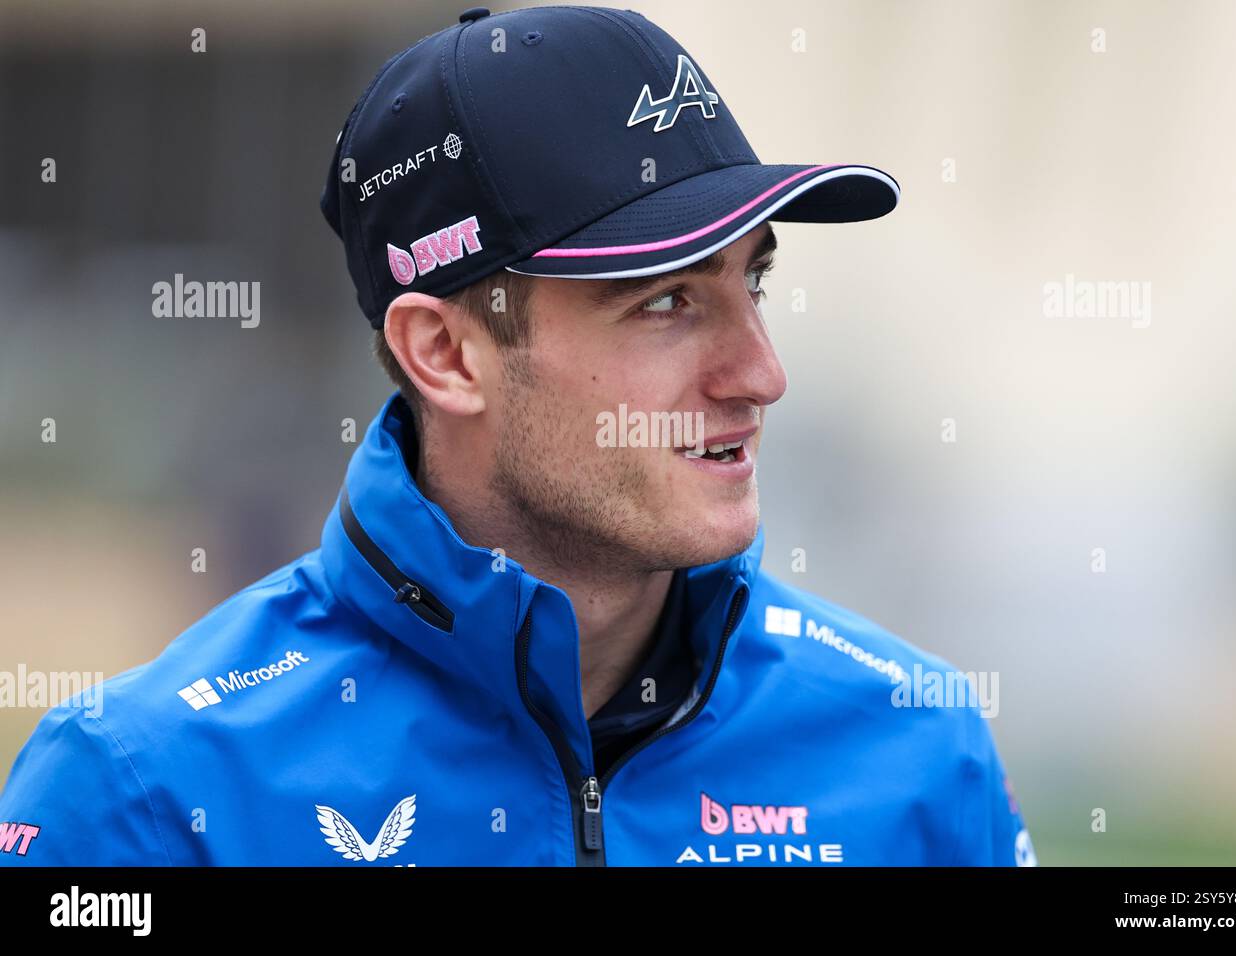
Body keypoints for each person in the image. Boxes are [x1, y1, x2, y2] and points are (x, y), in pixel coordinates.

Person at [0, 5, 1035, 866]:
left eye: (750, 280)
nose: (761, 373)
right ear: (445, 355)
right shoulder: (146, 792)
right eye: (666, 301)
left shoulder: (917, 748)